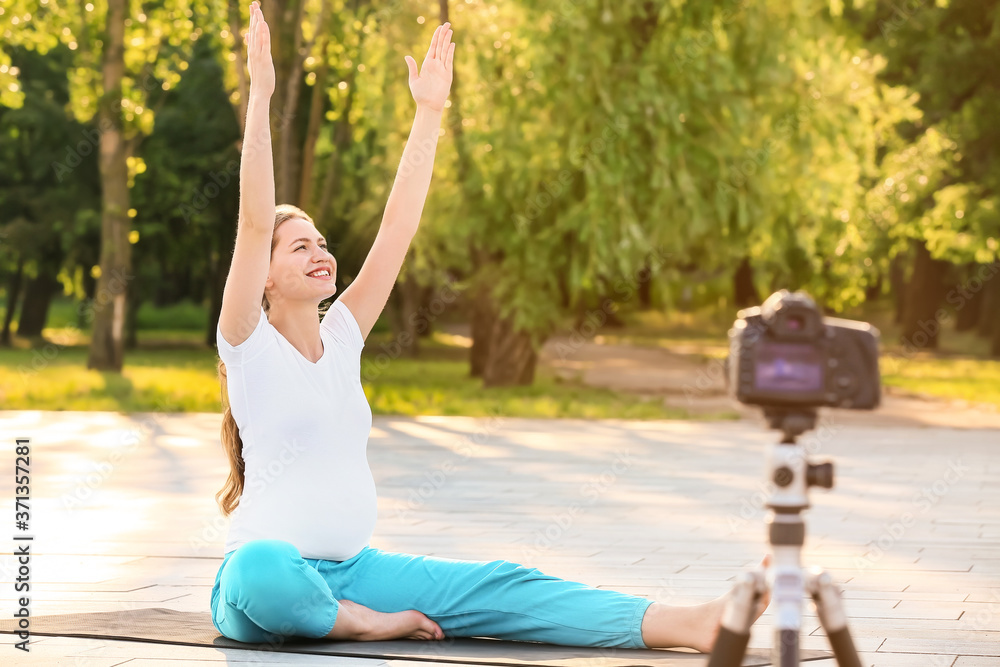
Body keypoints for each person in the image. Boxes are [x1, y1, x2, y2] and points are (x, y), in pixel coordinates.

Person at [210, 1, 767, 652]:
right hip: (261, 586)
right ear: (265, 277)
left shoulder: (342, 338)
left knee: (502, 583)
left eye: (322, 240)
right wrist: (262, 96)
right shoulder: (247, 343)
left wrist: (429, 115)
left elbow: (396, 229)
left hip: (355, 571)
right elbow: (252, 223)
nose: (320, 251)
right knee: (264, 570)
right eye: (298, 245)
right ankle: (358, 621)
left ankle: (687, 624)